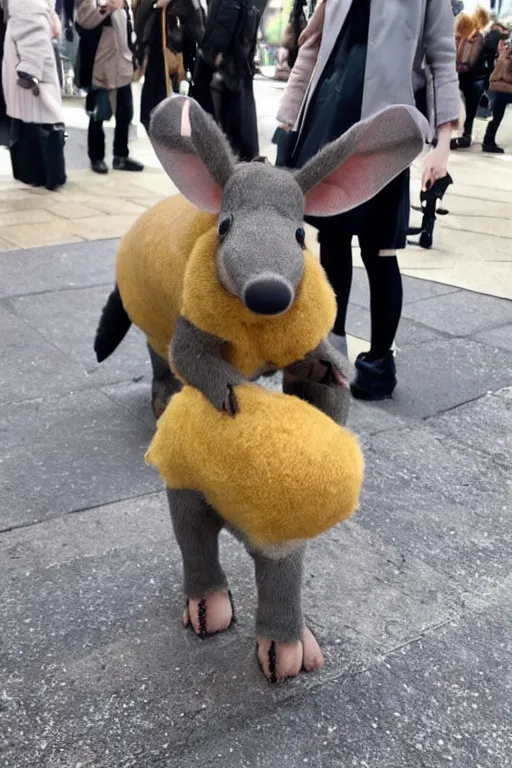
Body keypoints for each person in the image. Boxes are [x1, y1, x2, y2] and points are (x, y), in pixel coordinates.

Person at [277, 0, 459, 400]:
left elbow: (442, 60)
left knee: (381, 251)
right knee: (333, 241)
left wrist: (443, 144)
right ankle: (332, 350)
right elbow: (313, 44)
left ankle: (379, 364)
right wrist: (288, 116)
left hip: (385, 130)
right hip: (332, 119)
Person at [1, 0, 66, 189]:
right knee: (41, 122)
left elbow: (32, 35)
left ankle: (42, 175)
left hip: (32, 74)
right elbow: (32, 34)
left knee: (37, 122)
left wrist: (30, 70)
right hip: (34, 73)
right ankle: (46, 175)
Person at [191, 0, 267, 161]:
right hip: (240, 61)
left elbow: (227, 15)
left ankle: (226, 161)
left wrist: (215, 51)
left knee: (217, 114)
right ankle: (245, 160)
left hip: (226, 62)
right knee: (240, 115)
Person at [75, 0, 143, 174]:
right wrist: (106, 9)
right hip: (101, 65)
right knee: (98, 113)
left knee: (125, 112)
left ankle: (121, 156)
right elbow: (83, 20)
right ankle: (96, 157)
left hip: (122, 64)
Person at [134, 0, 205, 133]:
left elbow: (198, 31)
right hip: (160, 57)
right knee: (153, 111)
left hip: (177, 58)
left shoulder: (185, 7)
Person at [451, 8, 491, 149]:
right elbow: (471, 61)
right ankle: (465, 134)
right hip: (473, 78)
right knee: (469, 108)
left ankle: (456, 135)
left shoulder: (460, 36)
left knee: (456, 106)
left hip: (457, 76)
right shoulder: (477, 37)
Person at [482, 37, 512, 153]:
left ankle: (488, 141)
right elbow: (505, 74)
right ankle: (488, 143)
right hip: (505, 88)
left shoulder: (505, 50)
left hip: (496, 87)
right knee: (496, 116)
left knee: (496, 116)